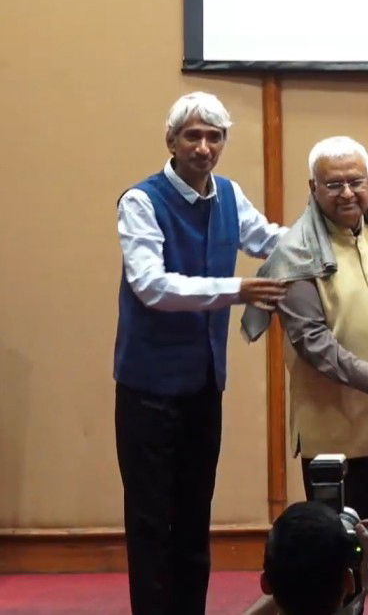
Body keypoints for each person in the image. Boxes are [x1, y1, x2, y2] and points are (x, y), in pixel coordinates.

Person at [114, 91, 288, 614]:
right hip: (147, 390)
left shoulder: (231, 196)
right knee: (150, 522)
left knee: (194, 517)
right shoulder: (140, 202)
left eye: (215, 137)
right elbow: (152, 286)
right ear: (171, 141)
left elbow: (273, 241)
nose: (204, 147)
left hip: (203, 386)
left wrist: (334, 233)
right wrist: (237, 290)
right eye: (193, 135)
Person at [251, 136, 368, 615]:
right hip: (339, 440)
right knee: (339, 572)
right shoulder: (294, 254)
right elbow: (312, 342)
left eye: (356, 181)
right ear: (313, 187)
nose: (347, 193)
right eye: (334, 184)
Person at [254, 501, 368, 615]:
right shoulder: (353, 583)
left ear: (265, 583)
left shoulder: (272, 584)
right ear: (349, 581)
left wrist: (288, 583)